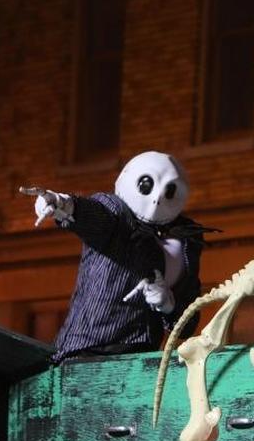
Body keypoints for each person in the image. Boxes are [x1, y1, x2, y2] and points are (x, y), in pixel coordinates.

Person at [24, 151, 212, 362]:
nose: (157, 197)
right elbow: (93, 214)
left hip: (141, 357)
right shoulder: (117, 214)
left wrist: (168, 304)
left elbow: (188, 318)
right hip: (88, 350)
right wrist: (61, 204)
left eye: (169, 190)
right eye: (147, 185)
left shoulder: (186, 240)